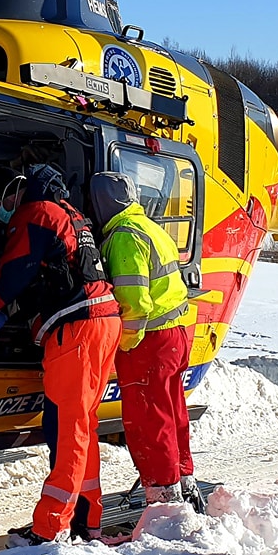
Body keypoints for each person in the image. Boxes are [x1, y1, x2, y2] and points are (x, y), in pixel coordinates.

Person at [0, 165, 120, 544]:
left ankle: (49, 528)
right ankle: (86, 518)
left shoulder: (39, 214)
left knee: (69, 428)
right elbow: (48, 276)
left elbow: (14, 271)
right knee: (81, 425)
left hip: (78, 330)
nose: (7, 206)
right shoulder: (72, 216)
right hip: (102, 322)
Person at [89, 172, 203, 518]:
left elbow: (135, 304)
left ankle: (164, 500)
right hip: (177, 332)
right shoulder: (150, 227)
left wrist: (121, 345)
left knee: (148, 418)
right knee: (172, 411)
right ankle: (183, 479)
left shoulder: (123, 238)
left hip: (150, 340)